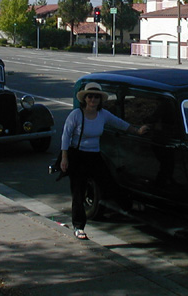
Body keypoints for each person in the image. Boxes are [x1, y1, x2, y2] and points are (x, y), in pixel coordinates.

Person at [60, 82, 148, 240]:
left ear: (100, 100)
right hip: (78, 156)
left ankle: (128, 206)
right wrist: (64, 158)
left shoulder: (103, 115)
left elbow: (119, 123)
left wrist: (136, 130)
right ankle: (78, 227)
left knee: (109, 183)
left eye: (96, 97)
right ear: (85, 99)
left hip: (94, 155)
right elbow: (66, 136)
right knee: (78, 193)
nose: (93, 99)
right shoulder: (76, 115)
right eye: (90, 96)